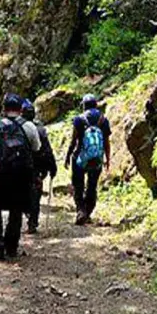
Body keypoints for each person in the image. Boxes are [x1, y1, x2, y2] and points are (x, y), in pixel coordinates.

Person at [0, 94, 41, 260]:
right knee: (16, 210)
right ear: (20, 109)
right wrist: (36, 175)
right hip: (21, 176)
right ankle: (11, 246)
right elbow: (36, 151)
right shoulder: (29, 127)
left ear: (4, 109)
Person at [64, 94, 111, 225]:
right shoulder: (103, 120)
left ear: (83, 106)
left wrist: (68, 156)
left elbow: (74, 141)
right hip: (97, 158)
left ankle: (81, 211)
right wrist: (107, 159)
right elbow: (107, 142)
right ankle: (88, 213)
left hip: (80, 158)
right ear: (96, 105)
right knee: (92, 186)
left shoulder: (79, 119)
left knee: (78, 186)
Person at [22, 99, 56, 234]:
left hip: (20, 168)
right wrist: (52, 166)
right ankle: (33, 221)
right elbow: (47, 150)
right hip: (37, 169)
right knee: (35, 196)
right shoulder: (40, 129)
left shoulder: (17, 127)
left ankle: (28, 215)